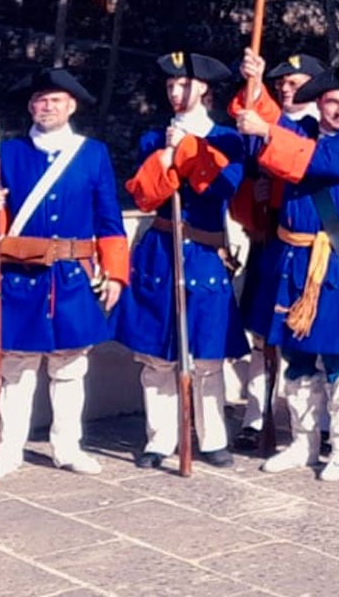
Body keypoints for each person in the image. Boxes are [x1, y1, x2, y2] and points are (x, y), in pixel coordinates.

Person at [0, 68, 129, 479]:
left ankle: (67, 446)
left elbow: (109, 219)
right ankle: (8, 450)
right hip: (20, 275)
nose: (47, 107)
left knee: (70, 366)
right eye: (41, 100)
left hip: (72, 276)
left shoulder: (92, 153)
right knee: (16, 370)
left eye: (56, 101)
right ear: (30, 106)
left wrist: (114, 272)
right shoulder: (7, 153)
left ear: (71, 106)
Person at [234, 58, 339, 482]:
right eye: (331, 102)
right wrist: (254, 83)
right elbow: (261, 124)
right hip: (289, 257)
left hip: (327, 259)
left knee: (337, 357)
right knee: (295, 357)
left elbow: (312, 160)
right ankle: (303, 442)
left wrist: (267, 131)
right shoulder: (299, 131)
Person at [120, 52, 249, 469]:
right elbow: (143, 194)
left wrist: (189, 150)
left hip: (205, 253)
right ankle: (160, 439)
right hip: (161, 248)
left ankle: (211, 437)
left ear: (205, 90)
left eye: (185, 85)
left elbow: (223, 186)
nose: (176, 92)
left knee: (207, 354)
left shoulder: (227, 139)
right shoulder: (152, 137)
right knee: (159, 357)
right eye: (171, 85)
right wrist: (166, 159)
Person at [229, 52, 325, 452]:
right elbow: (247, 174)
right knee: (261, 338)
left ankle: (322, 423)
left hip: (314, 247)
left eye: (295, 83)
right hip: (270, 241)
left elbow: (302, 162)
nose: (286, 89)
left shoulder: (326, 128)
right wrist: (258, 196)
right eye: (282, 83)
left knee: (315, 337)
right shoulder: (267, 124)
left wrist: (258, 87)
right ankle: (256, 416)